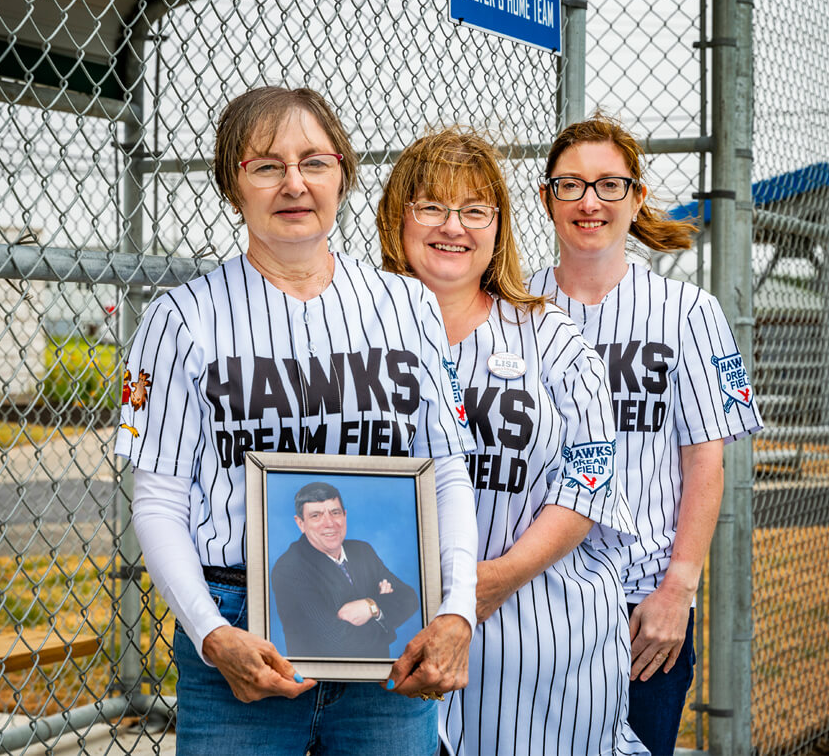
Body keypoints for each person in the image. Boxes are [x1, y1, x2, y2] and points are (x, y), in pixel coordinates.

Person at [116, 86, 479, 756]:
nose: (293, 183)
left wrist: (456, 608)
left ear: (342, 173)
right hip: (238, 624)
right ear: (233, 184)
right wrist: (210, 633)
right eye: (266, 165)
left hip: (386, 633)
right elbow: (159, 497)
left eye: (314, 161)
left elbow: (448, 472)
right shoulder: (182, 318)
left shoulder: (407, 306)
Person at [376, 127, 647, 755]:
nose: (455, 226)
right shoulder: (360, 330)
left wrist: (492, 579)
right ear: (399, 217)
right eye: (432, 207)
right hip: (397, 634)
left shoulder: (549, 335)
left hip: (540, 636)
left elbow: (590, 477)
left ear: (497, 226)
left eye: (475, 210)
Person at [526, 116, 762, 755]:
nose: (589, 202)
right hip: (536, 597)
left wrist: (677, 592)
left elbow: (705, 463)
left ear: (636, 196)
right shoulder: (515, 311)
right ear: (547, 198)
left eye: (609, 184)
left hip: (641, 602)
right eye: (570, 185)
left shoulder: (690, 311)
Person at [271, 481, 418, 659]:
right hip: (322, 683)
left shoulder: (363, 551)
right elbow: (336, 643)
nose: (329, 523)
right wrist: (386, 623)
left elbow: (409, 598)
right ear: (300, 523)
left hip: (375, 678)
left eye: (335, 513)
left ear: (345, 515)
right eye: (316, 516)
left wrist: (372, 606)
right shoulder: (290, 568)